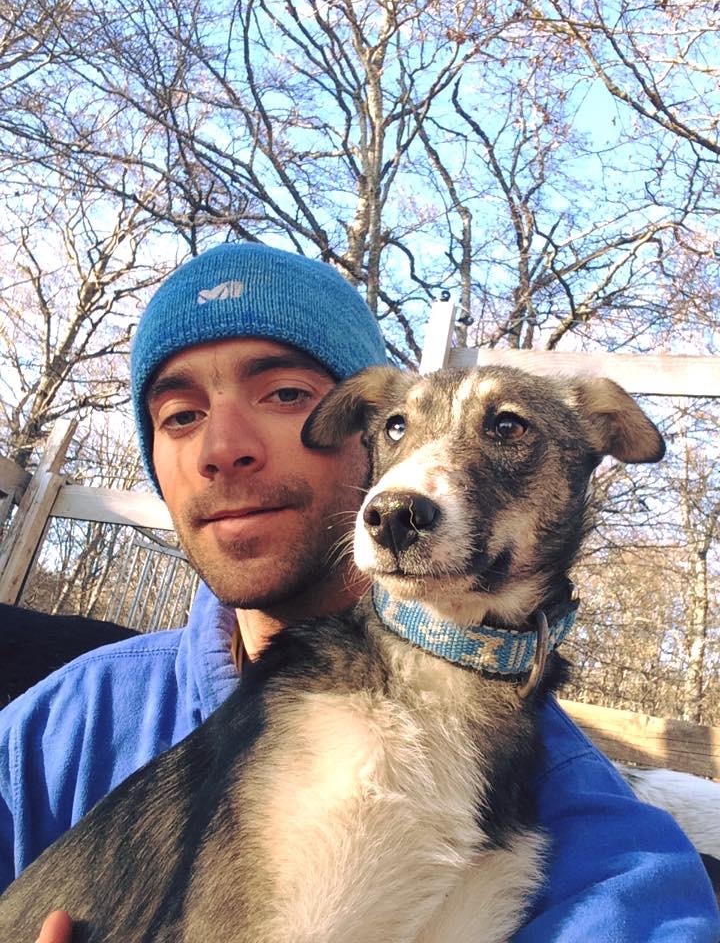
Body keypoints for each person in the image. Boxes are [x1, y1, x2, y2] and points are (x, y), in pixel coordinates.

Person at [0, 243, 717, 943]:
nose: (222, 448)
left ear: (352, 440)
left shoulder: (604, 848)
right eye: (180, 415)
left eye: (285, 394)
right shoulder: (56, 724)